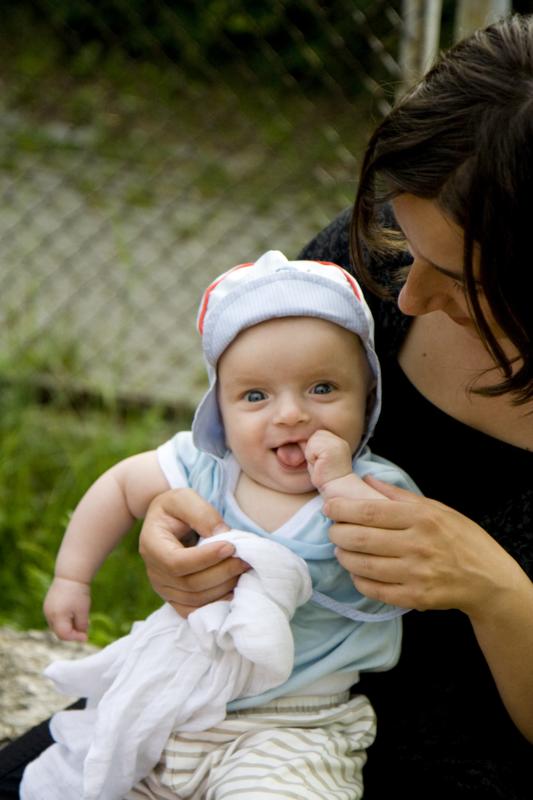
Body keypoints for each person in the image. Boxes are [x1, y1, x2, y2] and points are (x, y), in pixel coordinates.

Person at [2, 12, 533, 800]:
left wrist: (496, 592)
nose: (407, 295)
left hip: (425, 759)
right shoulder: (370, 262)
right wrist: (178, 529)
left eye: (457, 279)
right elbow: (233, 434)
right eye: (404, 245)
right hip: (215, 697)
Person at [20, 250, 420, 800]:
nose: (291, 414)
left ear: (367, 397)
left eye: (322, 388)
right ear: (221, 414)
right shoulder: (206, 470)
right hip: (176, 705)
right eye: (255, 396)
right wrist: (72, 576)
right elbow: (120, 486)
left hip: (295, 723)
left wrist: (339, 483)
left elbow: (402, 556)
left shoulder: (378, 488)